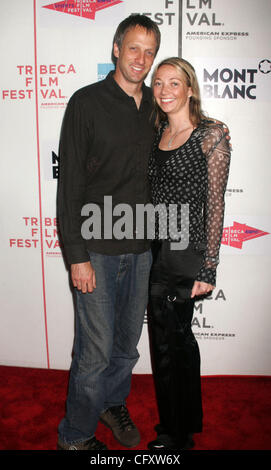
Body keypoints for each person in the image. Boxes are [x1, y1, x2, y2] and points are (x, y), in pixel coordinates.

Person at [57, 15, 161, 450]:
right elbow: (71, 186)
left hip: (141, 250)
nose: (141, 59)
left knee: (126, 347)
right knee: (95, 353)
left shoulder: (156, 107)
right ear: (116, 48)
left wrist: (213, 131)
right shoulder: (86, 102)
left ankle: (112, 402)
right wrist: (76, 255)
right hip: (95, 250)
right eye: (133, 48)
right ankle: (75, 438)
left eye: (149, 52)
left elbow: (186, 132)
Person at [147, 57, 231, 450]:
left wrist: (209, 265)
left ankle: (179, 434)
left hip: (185, 250)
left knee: (177, 340)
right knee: (162, 342)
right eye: (158, 83)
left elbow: (216, 205)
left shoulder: (210, 136)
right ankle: (174, 425)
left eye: (174, 83)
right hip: (153, 248)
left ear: (190, 88)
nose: (164, 90)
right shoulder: (156, 131)